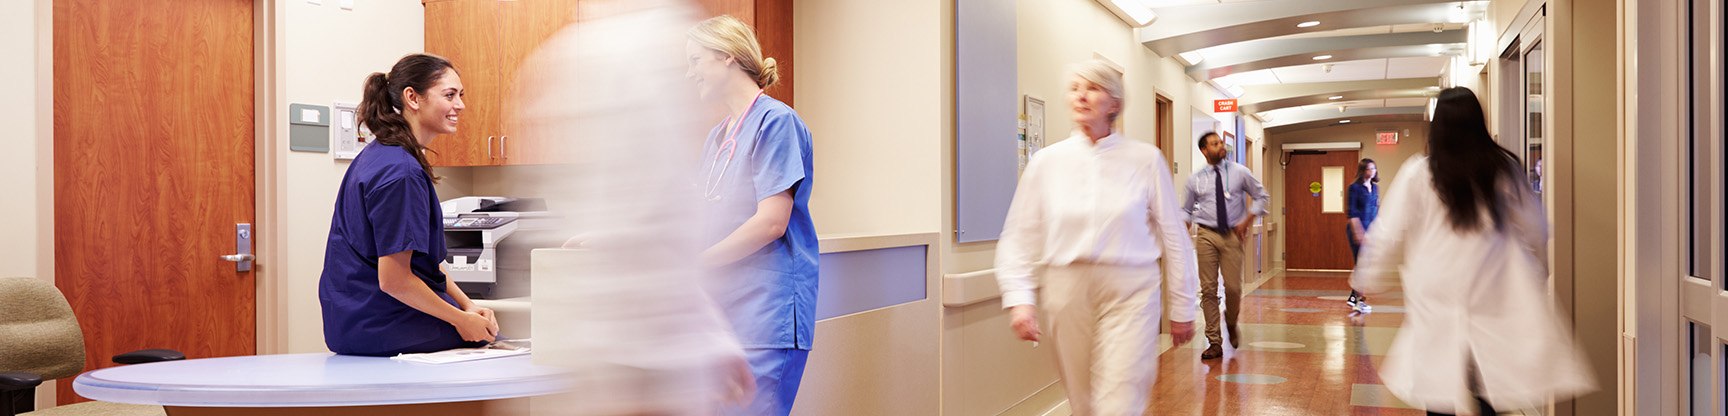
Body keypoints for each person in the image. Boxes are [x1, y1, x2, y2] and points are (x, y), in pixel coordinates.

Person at [1352, 87, 1594, 415]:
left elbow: (1388, 233)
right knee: (1487, 384)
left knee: (1441, 387)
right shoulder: (1503, 168)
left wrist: (1369, 276)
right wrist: (1537, 273)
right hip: (1491, 289)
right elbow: (1535, 229)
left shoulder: (1419, 172)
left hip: (1437, 292)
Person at [995, 59, 1199, 416]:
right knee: (1083, 401)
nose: (1081, 96)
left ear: (1115, 103)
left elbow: (1174, 236)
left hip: (1131, 288)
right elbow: (1019, 235)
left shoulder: (1145, 160)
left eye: (1092, 88)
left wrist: (1182, 305)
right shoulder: (1047, 162)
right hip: (1066, 288)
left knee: (1121, 396)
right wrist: (1019, 298)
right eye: (1075, 88)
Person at [319, 54, 498, 357]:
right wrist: (461, 321)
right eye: (450, 95)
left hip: (355, 318)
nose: (460, 106)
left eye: (461, 96)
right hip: (381, 322)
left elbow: (423, 262)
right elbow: (394, 280)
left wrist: (469, 306)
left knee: (485, 330)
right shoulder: (400, 172)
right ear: (412, 98)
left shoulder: (382, 154)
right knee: (494, 346)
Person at [686, 15, 818, 416]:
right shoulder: (718, 135)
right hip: (724, 315)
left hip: (766, 314)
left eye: (695, 60)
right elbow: (692, 214)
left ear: (727, 56)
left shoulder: (777, 122)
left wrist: (694, 265)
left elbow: (771, 222)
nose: (689, 74)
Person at [1182, 131, 1271, 359]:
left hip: (1232, 235)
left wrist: (1248, 219)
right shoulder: (1195, 179)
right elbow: (1186, 209)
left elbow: (1261, 196)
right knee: (1208, 290)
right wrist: (1182, 227)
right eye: (1215, 144)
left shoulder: (1240, 172)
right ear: (1204, 150)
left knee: (1233, 288)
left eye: (1221, 142)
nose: (1220, 146)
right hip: (1206, 235)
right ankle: (1214, 341)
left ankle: (1230, 321)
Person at [1344, 158, 1380, 313]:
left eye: (1374, 169)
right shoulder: (1354, 188)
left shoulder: (1374, 188)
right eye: (1368, 169)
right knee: (1362, 266)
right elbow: (1352, 212)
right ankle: (1360, 300)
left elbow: (1376, 210)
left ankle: (1353, 297)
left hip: (1371, 230)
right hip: (1357, 230)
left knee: (1365, 265)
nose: (1372, 172)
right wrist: (1359, 232)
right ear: (1362, 170)